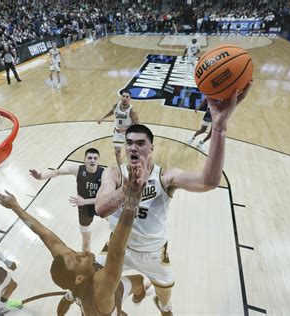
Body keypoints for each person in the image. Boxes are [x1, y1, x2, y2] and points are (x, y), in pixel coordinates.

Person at [95, 84, 252, 316]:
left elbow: (209, 181)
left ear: (151, 147)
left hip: (152, 252)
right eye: (129, 143)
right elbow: (100, 209)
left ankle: (162, 305)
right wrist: (125, 193)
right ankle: (136, 285)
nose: (133, 148)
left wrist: (219, 128)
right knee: (94, 288)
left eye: (140, 143)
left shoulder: (166, 176)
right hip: (119, 248)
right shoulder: (114, 173)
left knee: (165, 297)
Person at [0, 168, 148, 316]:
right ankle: (134, 299)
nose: (81, 253)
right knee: (139, 280)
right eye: (78, 259)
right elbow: (116, 253)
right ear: (79, 277)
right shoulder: (101, 290)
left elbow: (44, 234)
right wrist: (131, 204)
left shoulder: (71, 269)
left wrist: (16, 207)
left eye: (75, 254)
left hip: (79, 291)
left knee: (68, 297)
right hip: (107, 304)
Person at [29, 148, 104, 252]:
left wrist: (85, 201)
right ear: (84, 160)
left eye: (95, 158)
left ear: (99, 161)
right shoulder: (78, 170)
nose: (92, 160)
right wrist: (40, 177)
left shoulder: (104, 174)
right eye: (89, 158)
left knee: (116, 222)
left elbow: (106, 198)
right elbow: (58, 172)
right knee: (86, 239)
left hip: (100, 204)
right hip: (85, 208)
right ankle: (87, 261)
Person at [97, 89, 139, 166]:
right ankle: (121, 169)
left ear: (130, 99)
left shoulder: (132, 110)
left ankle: (133, 167)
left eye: (127, 97)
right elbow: (112, 111)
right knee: (117, 152)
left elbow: (137, 126)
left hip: (129, 134)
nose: (125, 98)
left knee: (130, 153)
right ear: (121, 97)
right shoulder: (116, 105)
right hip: (118, 132)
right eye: (123, 96)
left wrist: (125, 129)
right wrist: (103, 117)